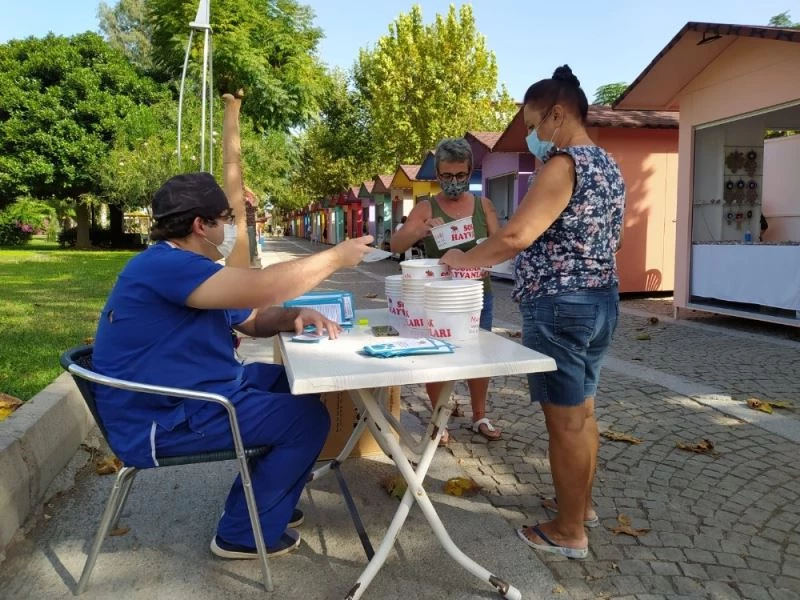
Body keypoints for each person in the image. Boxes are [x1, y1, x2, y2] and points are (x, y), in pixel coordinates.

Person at [92, 172, 374, 560]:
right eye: (224, 219)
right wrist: (336, 257)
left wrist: (296, 316)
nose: (228, 228)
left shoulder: (188, 268)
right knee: (307, 420)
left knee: (293, 384)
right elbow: (264, 287)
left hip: (191, 395)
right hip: (163, 417)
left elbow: (252, 319)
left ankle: (263, 504)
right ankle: (243, 535)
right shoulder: (168, 266)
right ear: (200, 225)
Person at [441, 66, 625, 559]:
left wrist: (463, 260)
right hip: (601, 299)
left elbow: (517, 234)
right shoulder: (608, 164)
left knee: (564, 422)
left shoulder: (562, 164)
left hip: (562, 305)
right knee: (583, 414)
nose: (532, 135)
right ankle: (579, 506)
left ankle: (568, 532)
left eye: (532, 123)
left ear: (557, 113)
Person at [391, 137, 502, 444]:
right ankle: (440, 419)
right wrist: (418, 230)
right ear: (437, 174)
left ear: (470, 172)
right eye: (446, 175)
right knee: (436, 358)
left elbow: (501, 246)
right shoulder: (426, 207)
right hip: (435, 298)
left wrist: (476, 257)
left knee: (480, 357)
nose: (453, 182)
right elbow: (396, 245)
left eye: (460, 175)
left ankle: (480, 414)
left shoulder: (484, 206)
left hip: (477, 295)